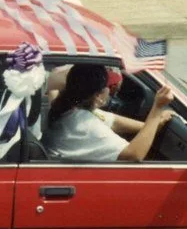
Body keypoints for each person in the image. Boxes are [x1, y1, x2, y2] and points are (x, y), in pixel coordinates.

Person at [43, 63, 174, 162]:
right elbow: (133, 155)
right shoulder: (85, 124)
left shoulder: (67, 108)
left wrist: (157, 120)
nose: (110, 90)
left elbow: (118, 123)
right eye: (108, 85)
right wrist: (157, 108)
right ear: (99, 94)